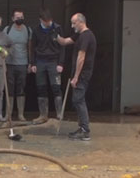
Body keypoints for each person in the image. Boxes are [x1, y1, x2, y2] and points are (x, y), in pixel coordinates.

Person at [56, 13, 96, 141]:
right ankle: (82, 127)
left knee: (78, 100)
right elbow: (65, 41)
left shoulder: (86, 36)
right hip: (78, 74)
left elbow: (81, 57)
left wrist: (76, 77)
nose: (72, 26)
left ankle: (85, 130)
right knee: (77, 100)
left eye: (74, 23)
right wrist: (55, 35)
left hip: (82, 74)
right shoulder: (79, 35)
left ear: (80, 22)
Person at [28, 8, 65, 122]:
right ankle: (43, 114)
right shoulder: (36, 30)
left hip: (54, 61)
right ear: (41, 20)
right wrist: (33, 63)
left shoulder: (57, 28)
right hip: (40, 61)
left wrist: (61, 63)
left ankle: (59, 113)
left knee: (56, 87)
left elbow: (62, 46)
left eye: (49, 21)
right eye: (46, 22)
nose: (48, 23)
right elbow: (32, 47)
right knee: (41, 88)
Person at [4, 9, 31, 121]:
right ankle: (8, 114)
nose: (19, 19)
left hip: (23, 64)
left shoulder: (28, 30)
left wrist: (30, 63)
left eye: (21, 17)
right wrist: (3, 62)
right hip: (9, 63)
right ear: (13, 19)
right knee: (9, 89)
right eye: (17, 17)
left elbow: (30, 48)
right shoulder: (7, 29)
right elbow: (3, 46)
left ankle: (20, 114)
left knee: (21, 88)